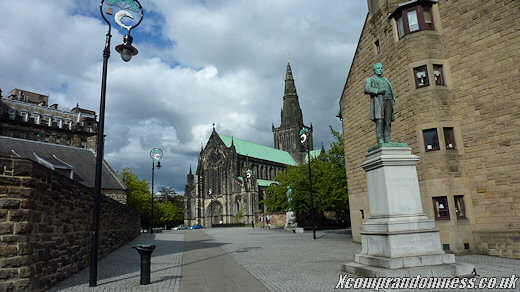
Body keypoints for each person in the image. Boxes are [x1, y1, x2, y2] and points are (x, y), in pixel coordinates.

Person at [364, 62, 396, 145]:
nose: (380, 70)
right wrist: (377, 91)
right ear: (374, 70)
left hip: (388, 100)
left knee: (388, 122)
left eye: (381, 68)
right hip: (379, 102)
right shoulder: (370, 79)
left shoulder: (386, 79)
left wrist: (393, 97)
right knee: (380, 121)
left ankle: (388, 139)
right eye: (378, 68)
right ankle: (380, 139)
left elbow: (391, 89)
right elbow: (367, 89)